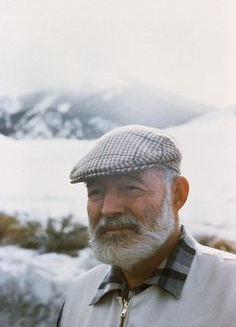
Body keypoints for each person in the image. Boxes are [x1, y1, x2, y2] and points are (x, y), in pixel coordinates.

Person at [57, 125, 236, 327]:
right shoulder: (79, 295)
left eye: (130, 188)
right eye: (96, 192)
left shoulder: (229, 288)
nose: (108, 208)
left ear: (177, 194)